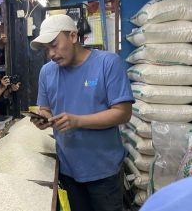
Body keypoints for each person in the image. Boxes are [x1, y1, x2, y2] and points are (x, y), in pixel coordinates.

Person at [30, 14, 134, 211]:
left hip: (104, 172)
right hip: (67, 170)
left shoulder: (108, 63)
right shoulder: (47, 72)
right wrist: (43, 117)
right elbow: (45, 108)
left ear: (73, 36)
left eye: (54, 45)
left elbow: (123, 113)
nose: (51, 53)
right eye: (46, 49)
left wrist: (77, 121)